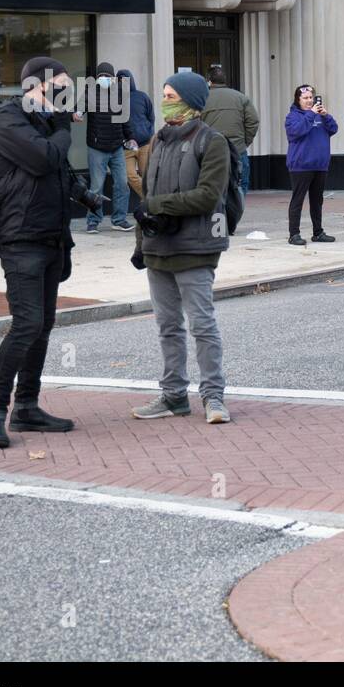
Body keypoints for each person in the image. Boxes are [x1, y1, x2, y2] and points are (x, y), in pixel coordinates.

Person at [0, 57, 79, 448]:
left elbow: (58, 172)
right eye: (61, 87)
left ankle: (27, 407)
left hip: (51, 236)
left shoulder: (44, 122)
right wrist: (64, 125)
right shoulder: (9, 117)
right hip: (20, 237)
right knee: (27, 323)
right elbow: (44, 159)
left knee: (44, 324)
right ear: (39, 85)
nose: (67, 96)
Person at [129, 71, 232, 425]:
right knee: (167, 326)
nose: (165, 100)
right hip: (159, 248)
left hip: (195, 247)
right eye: (164, 94)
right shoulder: (157, 141)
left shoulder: (211, 141)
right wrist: (141, 243)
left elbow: (208, 196)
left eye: (172, 95)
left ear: (191, 101)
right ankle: (173, 395)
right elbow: (148, 196)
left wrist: (157, 207)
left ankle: (213, 397)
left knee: (202, 325)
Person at [84, 62, 134, 232]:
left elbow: (125, 119)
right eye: (101, 76)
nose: (104, 79)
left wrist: (130, 137)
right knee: (96, 187)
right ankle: (93, 220)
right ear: (97, 79)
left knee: (122, 184)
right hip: (97, 147)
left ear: (113, 79)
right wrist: (75, 114)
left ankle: (119, 219)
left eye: (107, 76)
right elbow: (78, 109)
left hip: (117, 147)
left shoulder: (120, 94)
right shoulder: (90, 93)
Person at [285, 84, 338, 245]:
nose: (309, 101)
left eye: (311, 98)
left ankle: (318, 232)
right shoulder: (292, 116)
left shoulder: (320, 115)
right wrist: (310, 114)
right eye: (305, 98)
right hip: (301, 165)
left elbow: (334, 128)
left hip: (320, 165)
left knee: (317, 200)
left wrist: (326, 115)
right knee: (298, 200)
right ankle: (294, 234)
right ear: (298, 100)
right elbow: (296, 131)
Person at [202, 65, 258, 197]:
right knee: (240, 185)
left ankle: (219, 215)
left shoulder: (202, 99)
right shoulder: (241, 98)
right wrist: (245, 142)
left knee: (214, 187)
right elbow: (253, 121)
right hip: (237, 150)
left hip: (212, 151)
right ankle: (236, 214)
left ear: (209, 81)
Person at [119, 69, 155, 202]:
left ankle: (147, 209)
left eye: (125, 80)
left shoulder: (142, 96)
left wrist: (149, 133)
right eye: (120, 80)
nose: (123, 83)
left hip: (145, 144)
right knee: (130, 175)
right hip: (127, 146)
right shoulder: (116, 99)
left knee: (147, 176)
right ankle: (150, 199)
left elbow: (151, 117)